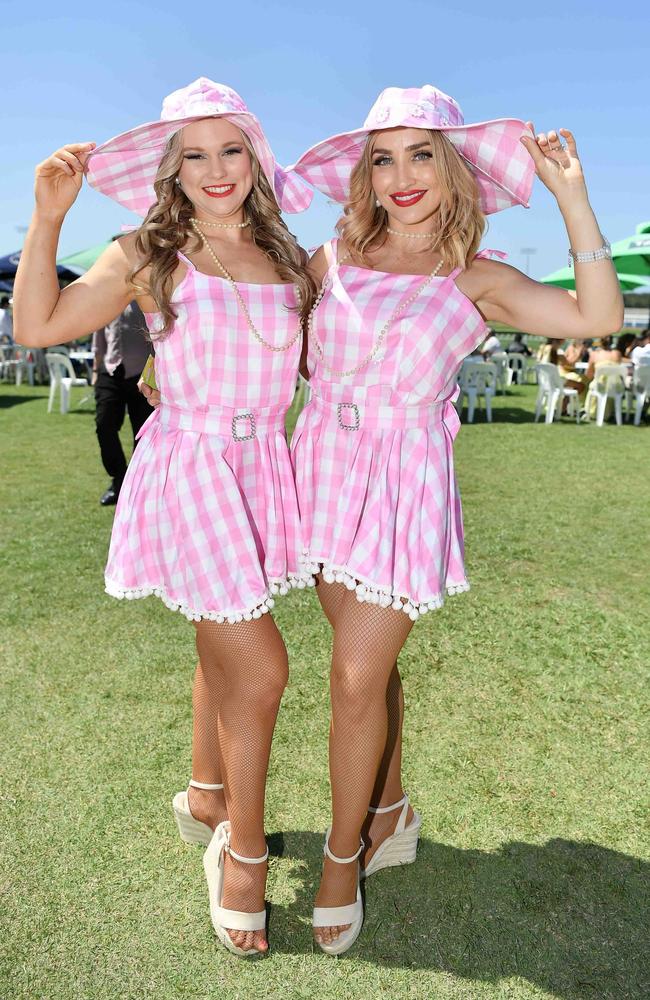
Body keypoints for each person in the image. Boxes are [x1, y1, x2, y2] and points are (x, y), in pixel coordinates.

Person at [289, 83, 622, 954]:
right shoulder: (329, 258)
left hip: (404, 486)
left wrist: (572, 195)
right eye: (384, 157)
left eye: (421, 153)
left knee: (357, 677)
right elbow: (258, 332)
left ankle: (342, 854)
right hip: (318, 469)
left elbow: (598, 316)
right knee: (368, 663)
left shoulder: (479, 279)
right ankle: (390, 808)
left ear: (454, 167)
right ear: (366, 173)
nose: (402, 175)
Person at [13, 77, 316, 959]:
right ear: (170, 167)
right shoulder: (148, 250)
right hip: (190, 468)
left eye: (231, 149)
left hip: (263, 467)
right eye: (194, 153)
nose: (215, 169)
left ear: (254, 159)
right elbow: (38, 324)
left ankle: (205, 796)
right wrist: (46, 219)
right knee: (259, 669)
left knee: (222, 643)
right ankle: (244, 856)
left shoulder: (288, 254)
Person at [92, 300, 153, 505]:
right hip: (110, 371)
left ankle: (138, 485)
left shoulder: (145, 296)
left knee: (143, 433)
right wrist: (95, 369)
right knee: (104, 425)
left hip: (142, 373)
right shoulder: (106, 299)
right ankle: (118, 479)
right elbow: (99, 336)